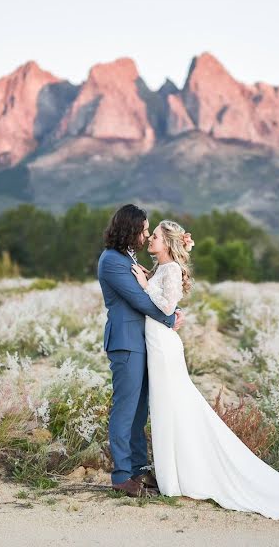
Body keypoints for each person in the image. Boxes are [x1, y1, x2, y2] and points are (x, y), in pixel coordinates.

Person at [129, 218, 279, 523]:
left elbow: (165, 308)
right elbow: (164, 303)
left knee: (172, 406)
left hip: (164, 347)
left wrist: (142, 286)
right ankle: (174, 474)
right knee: (168, 409)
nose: (150, 240)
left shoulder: (172, 270)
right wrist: (148, 282)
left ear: (167, 243)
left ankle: (179, 478)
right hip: (156, 343)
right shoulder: (162, 270)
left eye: (154, 236)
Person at [96, 204, 185, 498]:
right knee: (125, 409)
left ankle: (137, 468)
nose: (147, 235)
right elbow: (139, 299)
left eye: (150, 231)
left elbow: (155, 294)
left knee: (139, 410)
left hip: (144, 343)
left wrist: (172, 307)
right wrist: (170, 318)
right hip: (126, 343)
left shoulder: (125, 257)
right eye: (144, 229)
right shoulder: (111, 261)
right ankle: (122, 475)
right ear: (131, 229)